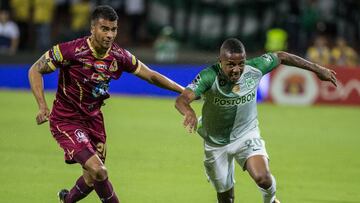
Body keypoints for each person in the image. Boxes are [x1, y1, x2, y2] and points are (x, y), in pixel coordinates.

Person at [28, 5, 184, 203]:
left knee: (91, 178)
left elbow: (151, 75)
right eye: (104, 29)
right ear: (92, 28)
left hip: (94, 122)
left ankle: (66, 200)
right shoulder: (70, 51)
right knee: (99, 170)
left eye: (113, 29)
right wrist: (42, 106)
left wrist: (183, 90)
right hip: (66, 120)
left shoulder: (119, 55)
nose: (110, 34)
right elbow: (35, 69)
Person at [175, 38, 337, 203]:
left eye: (241, 64)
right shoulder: (208, 76)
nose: (237, 70)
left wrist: (317, 68)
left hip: (246, 135)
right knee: (226, 199)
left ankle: (271, 200)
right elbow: (182, 100)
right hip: (216, 143)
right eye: (231, 64)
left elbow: (282, 56)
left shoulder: (256, 67)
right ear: (220, 61)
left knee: (263, 178)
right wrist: (189, 112)